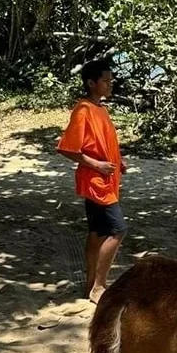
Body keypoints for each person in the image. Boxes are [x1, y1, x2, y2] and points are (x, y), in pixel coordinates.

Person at [57, 59, 127, 303]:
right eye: (105, 81)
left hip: (106, 180)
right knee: (118, 230)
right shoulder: (84, 110)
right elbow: (67, 149)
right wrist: (97, 165)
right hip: (96, 182)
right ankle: (99, 285)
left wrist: (119, 161)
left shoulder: (101, 109)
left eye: (110, 80)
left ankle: (89, 285)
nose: (110, 84)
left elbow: (103, 144)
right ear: (91, 83)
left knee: (97, 233)